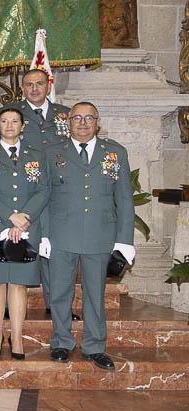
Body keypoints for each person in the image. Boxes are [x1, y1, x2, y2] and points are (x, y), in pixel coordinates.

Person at [41, 102, 135, 370]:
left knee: (95, 293)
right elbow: (43, 196)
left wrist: (124, 241)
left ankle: (94, 346)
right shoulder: (51, 152)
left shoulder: (115, 153)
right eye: (77, 118)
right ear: (68, 122)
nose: (83, 123)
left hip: (100, 234)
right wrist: (44, 235)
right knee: (60, 291)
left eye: (89, 118)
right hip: (61, 233)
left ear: (97, 122)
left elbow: (124, 199)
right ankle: (61, 341)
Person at [0, 107, 49, 360]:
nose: (9, 125)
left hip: (27, 227)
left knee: (19, 284)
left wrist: (23, 218)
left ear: (23, 126)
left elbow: (44, 189)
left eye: (14, 121)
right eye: (4, 121)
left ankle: (17, 336)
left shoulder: (36, 155)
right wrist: (9, 216)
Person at [11, 68, 71, 147]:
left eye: (40, 84)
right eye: (29, 85)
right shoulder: (10, 112)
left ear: (48, 87)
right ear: (23, 89)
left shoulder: (66, 112)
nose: (34, 89)